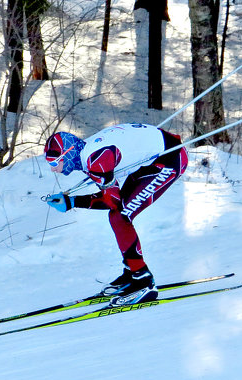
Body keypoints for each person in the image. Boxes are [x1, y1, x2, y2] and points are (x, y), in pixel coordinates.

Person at [42, 122, 189, 305]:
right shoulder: (88, 153)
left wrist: (74, 202)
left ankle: (143, 280)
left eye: (55, 162)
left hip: (170, 159)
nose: (53, 169)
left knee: (120, 216)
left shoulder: (95, 160)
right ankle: (132, 273)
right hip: (155, 157)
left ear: (68, 154)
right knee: (118, 215)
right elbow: (112, 198)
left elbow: (112, 202)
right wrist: (71, 202)